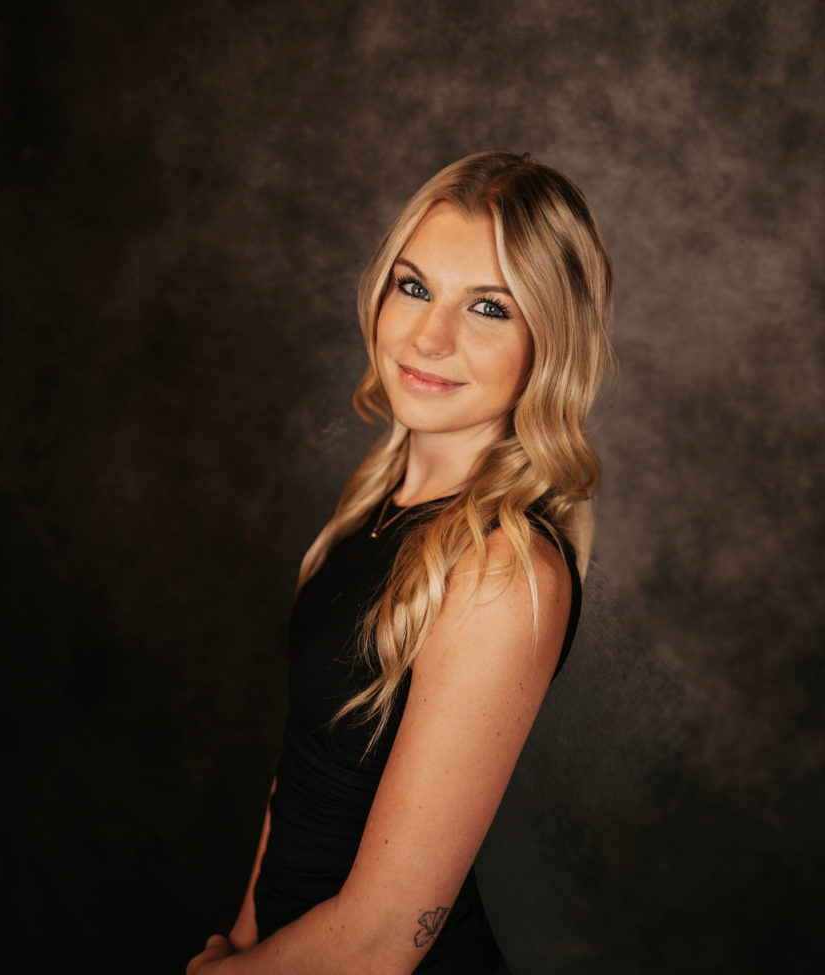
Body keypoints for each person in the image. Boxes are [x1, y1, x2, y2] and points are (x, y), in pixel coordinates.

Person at [187, 152, 613, 974]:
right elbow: (303, 769)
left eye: (489, 307)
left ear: (548, 342)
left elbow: (384, 941)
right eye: (414, 286)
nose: (429, 335)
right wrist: (241, 944)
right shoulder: (378, 501)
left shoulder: (502, 571)